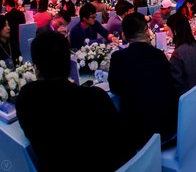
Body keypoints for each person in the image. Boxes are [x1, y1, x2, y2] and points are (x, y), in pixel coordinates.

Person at [16, 31, 135, 172]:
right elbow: (124, 145)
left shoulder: (26, 100)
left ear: (36, 68)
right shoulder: (96, 98)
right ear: (69, 63)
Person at [109, 12, 179, 150]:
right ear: (147, 31)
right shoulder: (159, 55)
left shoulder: (118, 58)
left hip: (140, 137)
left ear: (124, 35)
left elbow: (115, 88)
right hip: (170, 129)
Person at [166, 14, 196, 96]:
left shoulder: (178, 54)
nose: (167, 33)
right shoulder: (195, 45)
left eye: (169, 30)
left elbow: (175, 83)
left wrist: (168, 62)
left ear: (175, 31)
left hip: (186, 96)